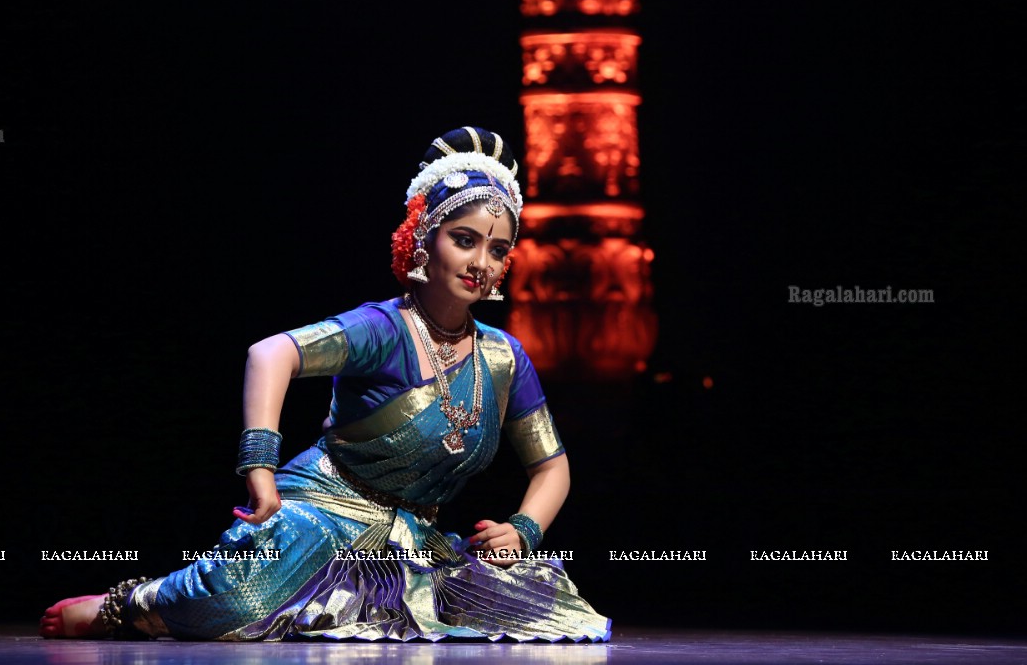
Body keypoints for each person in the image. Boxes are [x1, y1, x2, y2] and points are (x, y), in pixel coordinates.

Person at [39, 126, 611, 642]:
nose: (481, 261)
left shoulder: (503, 357)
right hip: (324, 510)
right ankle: (125, 606)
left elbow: (551, 466)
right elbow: (269, 355)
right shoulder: (382, 328)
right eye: (464, 239)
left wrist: (524, 529)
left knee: (547, 607)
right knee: (245, 592)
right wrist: (259, 471)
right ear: (423, 238)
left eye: (498, 249)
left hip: (411, 542)